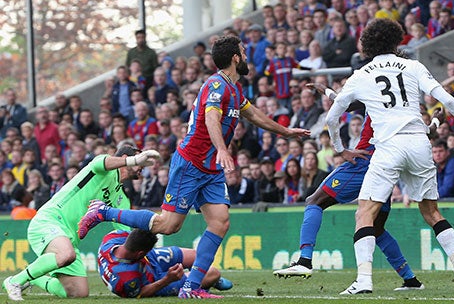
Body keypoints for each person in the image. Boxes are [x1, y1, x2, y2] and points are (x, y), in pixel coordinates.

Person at [78, 36, 310, 299]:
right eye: (243, 53)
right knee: (168, 225)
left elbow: (253, 114)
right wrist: (222, 148)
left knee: (220, 223)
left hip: (210, 170)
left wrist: (285, 131)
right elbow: (212, 117)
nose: (246, 57)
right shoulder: (216, 84)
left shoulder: (234, 89)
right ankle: (103, 212)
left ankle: (192, 287)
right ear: (235, 57)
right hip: (190, 164)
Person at [324, 19, 454, 294]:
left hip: (388, 148)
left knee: (365, 213)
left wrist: (339, 148)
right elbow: (448, 99)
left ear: (367, 45)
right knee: (431, 212)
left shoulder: (361, 75)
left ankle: (364, 280)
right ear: (397, 41)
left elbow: (332, 116)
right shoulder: (413, 66)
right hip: (419, 143)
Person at [274, 84, 447, 291]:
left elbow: (343, 105)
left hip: (363, 162)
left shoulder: (374, 96)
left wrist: (341, 150)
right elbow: (427, 133)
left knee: (315, 201)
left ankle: (304, 260)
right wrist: (437, 119)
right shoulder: (406, 109)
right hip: (386, 168)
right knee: (376, 227)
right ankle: (410, 279)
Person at [1, 145, 159, 300]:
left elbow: (125, 235)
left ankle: (33, 276)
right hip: (50, 219)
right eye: (140, 160)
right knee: (65, 254)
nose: (142, 165)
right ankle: (15, 281)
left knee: (77, 292)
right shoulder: (103, 169)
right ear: (125, 158)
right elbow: (101, 162)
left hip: (70, 239)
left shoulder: (121, 199)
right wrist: (134, 160)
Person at [98, 229, 232, 298]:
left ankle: (197, 278)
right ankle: (209, 282)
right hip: (154, 282)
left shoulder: (113, 237)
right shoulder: (125, 278)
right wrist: (168, 279)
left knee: (199, 256)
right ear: (140, 253)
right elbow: (141, 293)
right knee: (213, 273)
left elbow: (137, 236)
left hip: (151, 259)